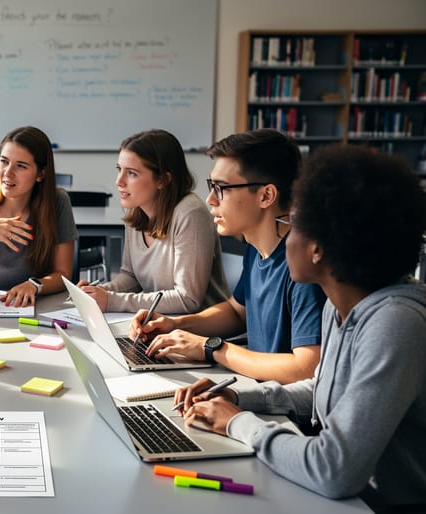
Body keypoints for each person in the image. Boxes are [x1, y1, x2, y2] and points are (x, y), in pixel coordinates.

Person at [177, 145, 426, 509]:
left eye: (290, 225)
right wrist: (237, 398)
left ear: (318, 249)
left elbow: (335, 469)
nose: (284, 237)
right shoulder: (341, 305)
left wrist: (240, 424)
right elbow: (324, 389)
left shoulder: (394, 324)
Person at [132, 129, 326, 384]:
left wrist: (211, 347)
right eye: (211, 186)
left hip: (279, 414)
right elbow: (237, 312)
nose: (210, 199)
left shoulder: (303, 266)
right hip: (251, 388)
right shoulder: (256, 248)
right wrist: (175, 324)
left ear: (266, 195)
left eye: (222, 188)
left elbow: (306, 367)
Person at [79, 129, 229, 314]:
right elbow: (130, 276)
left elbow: (187, 299)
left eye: (132, 173)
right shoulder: (137, 208)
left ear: (163, 180)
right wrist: (101, 292)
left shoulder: (191, 213)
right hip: (158, 325)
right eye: (120, 170)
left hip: (199, 332)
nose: (119, 181)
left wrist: (111, 300)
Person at [0, 126, 77, 307]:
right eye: (4, 161)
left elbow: (63, 273)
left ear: (40, 174)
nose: (7, 173)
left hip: (38, 303)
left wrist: (34, 285)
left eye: (21, 166)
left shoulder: (57, 202)